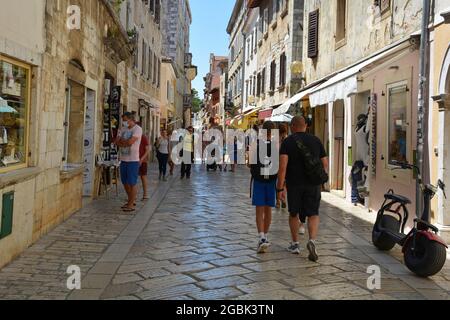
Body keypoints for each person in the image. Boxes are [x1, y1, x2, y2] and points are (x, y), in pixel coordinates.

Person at [277, 116, 328, 261]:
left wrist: (280, 188)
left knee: (294, 213)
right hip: (313, 184)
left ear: (292, 126)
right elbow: (324, 163)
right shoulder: (316, 140)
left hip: (294, 184)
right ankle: (312, 240)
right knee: (313, 213)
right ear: (305, 125)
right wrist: (320, 180)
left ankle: (295, 244)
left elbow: (282, 167)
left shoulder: (287, 142)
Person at [249, 121, 278, 254]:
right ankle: (265, 236)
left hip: (259, 180)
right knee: (268, 210)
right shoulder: (276, 145)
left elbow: (250, 164)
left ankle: (261, 237)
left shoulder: (255, 144)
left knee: (259, 210)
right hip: (271, 180)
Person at [115, 112, 143, 213]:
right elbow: (117, 141)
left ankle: (131, 204)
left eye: (125, 120)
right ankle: (130, 200)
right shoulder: (123, 129)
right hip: (123, 159)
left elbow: (131, 142)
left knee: (132, 182)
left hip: (133, 160)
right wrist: (123, 143)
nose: (124, 122)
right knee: (125, 182)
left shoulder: (137, 129)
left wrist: (123, 142)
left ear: (131, 120)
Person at [276, 124, 288, 210]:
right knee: (283, 184)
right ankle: (283, 199)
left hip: (276, 164)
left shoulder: (276, 140)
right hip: (286, 164)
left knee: (277, 182)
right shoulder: (288, 140)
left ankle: (278, 201)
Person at [138, 124, 150, 200]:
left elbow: (147, 149)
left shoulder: (143, 137)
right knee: (134, 178)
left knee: (143, 176)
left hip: (143, 160)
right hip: (134, 159)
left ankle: (145, 194)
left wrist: (142, 159)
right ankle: (133, 196)